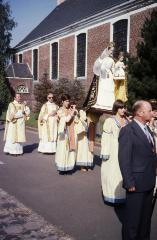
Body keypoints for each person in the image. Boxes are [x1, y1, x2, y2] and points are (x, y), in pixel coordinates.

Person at [118, 100, 157, 240]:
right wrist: (129, 182)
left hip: (149, 182)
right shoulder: (128, 130)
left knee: (145, 220)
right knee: (132, 222)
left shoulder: (148, 130)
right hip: (136, 184)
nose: (152, 113)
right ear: (140, 113)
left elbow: (151, 154)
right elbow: (124, 159)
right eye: (150, 110)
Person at [101, 100, 127, 203]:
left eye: (124, 107)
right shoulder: (110, 121)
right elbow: (105, 138)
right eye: (121, 108)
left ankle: (121, 196)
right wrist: (105, 152)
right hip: (113, 151)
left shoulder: (127, 121)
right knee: (112, 173)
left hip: (124, 150)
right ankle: (110, 195)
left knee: (122, 174)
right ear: (116, 108)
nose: (123, 110)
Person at [55, 94, 78, 173]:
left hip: (71, 131)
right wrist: (71, 113)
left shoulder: (70, 109)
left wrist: (75, 112)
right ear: (62, 101)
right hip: (64, 133)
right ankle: (62, 167)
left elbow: (76, 120)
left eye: (68, 101)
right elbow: (66, 119)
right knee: (63, 150)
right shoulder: (60, 110)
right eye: (66, 101)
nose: (68, 103)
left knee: (70, 151)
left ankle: (69, 167)